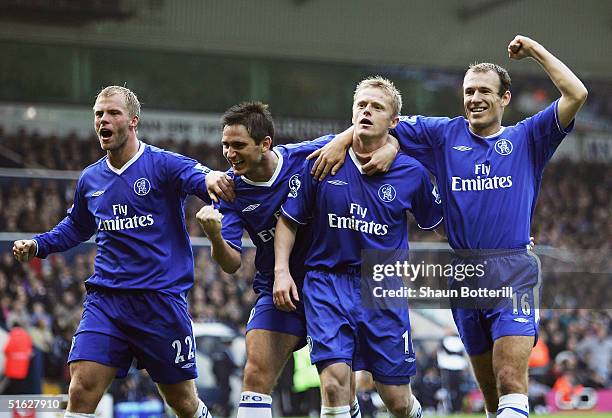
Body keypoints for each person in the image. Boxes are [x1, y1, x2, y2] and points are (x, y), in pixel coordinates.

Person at [311, 35, 587, 418]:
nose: (474, 98)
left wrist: (536, 52)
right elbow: (378, 124)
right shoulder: (443, 134)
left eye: (484, 91)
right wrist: (347, 140)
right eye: (468, 91)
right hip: (461, 272)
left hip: (512, 270)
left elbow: (576, 93)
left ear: (504, 98)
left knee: (510, 378)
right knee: (491, 394)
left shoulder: (528, 137)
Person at [12, 86, 231, 418]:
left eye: (113, 113)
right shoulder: (91, 179)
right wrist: (39, 244)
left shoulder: (163, 164)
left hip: (159, 301)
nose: (104, 119)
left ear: (133, 121)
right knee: (81, 389)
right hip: (107, 302)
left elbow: (201, 177)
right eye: (99, 114)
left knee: (182, 403)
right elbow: (76, 226)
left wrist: (213, 178)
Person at [196, 101, 398, 418]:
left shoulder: (305, 156)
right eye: (226, 145)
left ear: (265, 144)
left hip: (333, 287)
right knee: (255, 375)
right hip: (279, 293)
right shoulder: (231, 191)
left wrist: (391, 146)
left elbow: (364, 131)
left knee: (338, 389)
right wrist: (214, 236)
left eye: (238, 145)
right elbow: (231, 263)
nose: (230, 154)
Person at [275, 76, 443, 418]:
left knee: (396, 401)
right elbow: (288, 221)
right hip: (327, 283)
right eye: (361, 105)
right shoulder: (323, 162)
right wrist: (281, 272)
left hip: (381, 287)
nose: (367, 111)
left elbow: (441, 225)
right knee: (335, 384)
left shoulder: (411, 172)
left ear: (393, 122)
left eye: (377, 107)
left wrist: (502, 243)